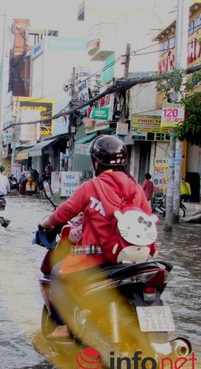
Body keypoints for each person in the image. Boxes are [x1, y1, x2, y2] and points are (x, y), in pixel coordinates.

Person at [38, 135, 155, 340]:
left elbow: (64, 212)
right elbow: (148, 217)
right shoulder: (136, 188)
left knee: (57, 274)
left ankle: (63, 327)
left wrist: (46, 223)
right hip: (135, 259)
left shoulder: (91, 186)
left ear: (96, 162)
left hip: (97, 259)